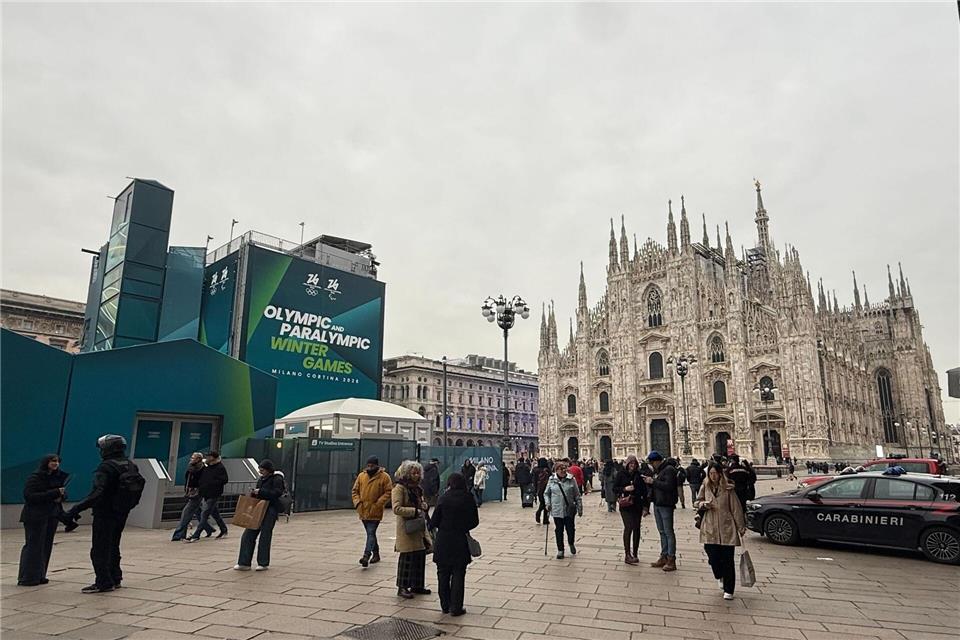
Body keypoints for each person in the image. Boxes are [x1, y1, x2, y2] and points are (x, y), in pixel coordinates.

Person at [65, 434, 144, 593]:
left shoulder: (106, 467)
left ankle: (103, 582)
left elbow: (98, 492)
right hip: (122, 511)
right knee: (114, 545)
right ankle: (116, 577)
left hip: (105, 512)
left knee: (100, 548)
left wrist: (76, 508)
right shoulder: (129, 465)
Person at [695, 462, 746, 600]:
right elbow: (697, 501)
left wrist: (741, 526)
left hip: (726, 527)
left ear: (720, 474)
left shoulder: (728, 489)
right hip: (710, 527)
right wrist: (703, 504)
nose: (713, 476)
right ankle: (719, 575)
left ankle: (729, 590)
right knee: (712, 556)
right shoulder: (705, 486)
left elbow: (736, 508)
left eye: (715, 473)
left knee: (728, 559)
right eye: (710, 473)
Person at [430, 472, 479, 617]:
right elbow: (475, 521)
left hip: (443, 539)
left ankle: (445, 605)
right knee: (458, 573)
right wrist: (463, 526)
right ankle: (456, 607)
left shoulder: (443, 498)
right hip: (459, 540)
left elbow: (434, 521)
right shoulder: (468, 497)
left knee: (442, 573)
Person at [18, 454, 69, 586]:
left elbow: (61, 493)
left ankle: (40, 574)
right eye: (53, 461)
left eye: (57, 461)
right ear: (46, 462)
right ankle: (28, 577)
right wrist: (54, 493)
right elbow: (29, 496)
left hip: (51, 515)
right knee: (34, 546)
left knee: (46, 546)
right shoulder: (35, 477)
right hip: (35, 516)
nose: (56, 463)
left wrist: (61, 496)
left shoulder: (57, 477)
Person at [234, 459, 285, 571]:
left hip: (270, 509)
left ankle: (263, 562)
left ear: (268, 470)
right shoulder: (262, 479)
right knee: (248, 535)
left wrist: (260, 492)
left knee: (265, 536)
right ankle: (244, 562)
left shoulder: (277, 479)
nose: (260, 472)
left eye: (262, 470)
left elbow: (277, 493)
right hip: (258, 508)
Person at [393, 460, 431, 599]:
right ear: (407, 473)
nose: (416, 475)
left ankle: (417, 585)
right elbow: (396, 508)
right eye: (413, 473)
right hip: (407, 528)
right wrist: (414, 511)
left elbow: (421, 502)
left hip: (419, 526)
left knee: (419, 555)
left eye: (418, 473)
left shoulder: (417, 488)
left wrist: (424, 505)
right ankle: (402, 587)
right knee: (407, 557)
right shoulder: (399, 488)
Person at [352, 456, 393, 567]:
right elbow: (355, 491)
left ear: (377, 465)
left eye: (372, 465)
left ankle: (366, 555)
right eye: (368, 465)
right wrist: (357, 503)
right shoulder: (361, 476)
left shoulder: (384, 477)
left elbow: (388, 491)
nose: (370, 467)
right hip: (363, 509)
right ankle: (376, 554)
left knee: (370, 532)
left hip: (375, 510)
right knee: (371, 534)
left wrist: (379, 503)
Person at [643, 451, 678, 572]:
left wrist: (653, 481)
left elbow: (669, 486)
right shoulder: (658, 471)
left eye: (652, 463)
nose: (652, 465)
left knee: (668, 532)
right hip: (658, 504)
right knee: (662, 531)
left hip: (666, 504)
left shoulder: (669, 470)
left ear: (657, 461)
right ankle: (664, 556)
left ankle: (671, 559)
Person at [187, 450, 229, 542]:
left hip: (214, 494)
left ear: (213, 458)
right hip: (205, 493)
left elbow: (224, 480)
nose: (207, 458)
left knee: (204, 513)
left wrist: (212, 483)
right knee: (215, 514)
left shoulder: (220, 467)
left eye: (209, 456)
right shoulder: (207, 467)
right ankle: (223, 529)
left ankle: (196, 535)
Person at [543, 461, 582, 559]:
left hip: (569, 509)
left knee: (570, 529)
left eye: (565, 468)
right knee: (559, 530)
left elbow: (577, 495)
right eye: (561, 469)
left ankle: (571, 542)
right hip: (557, 509)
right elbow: (546, 493)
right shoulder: (552, 480)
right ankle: (560, 550)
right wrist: (548, 503)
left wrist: (580, 507)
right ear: (556, 470)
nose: (564, 470)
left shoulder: (571, 479)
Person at [613, 455, 647, 565]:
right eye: (631, 463)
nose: (633, 465)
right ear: (627, 464)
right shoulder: (621, 474)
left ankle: (635, 553)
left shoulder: (639, 475)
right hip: (625, 505)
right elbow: (614, 488)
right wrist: (624, 489)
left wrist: (646, 507)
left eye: (634, 464)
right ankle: (627, 554)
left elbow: (644, 492)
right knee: (628, 527)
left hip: (637, 504)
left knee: (637, 528)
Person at [171, 452, 211, 541]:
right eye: (191, 457)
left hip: (197, 493)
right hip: (190, 491)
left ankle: (179, 534)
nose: (191, 459)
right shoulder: (191, 467)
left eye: (193, 458)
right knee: (197, 511)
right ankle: (208, 528)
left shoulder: (203, 468)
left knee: (186, 512)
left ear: (198, 459)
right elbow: (188, 479)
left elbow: (203, 481)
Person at [534, 458, 551, 525]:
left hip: (539, 489)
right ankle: (545, 519)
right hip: (547, 488)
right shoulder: (547, 470)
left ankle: (539, 513)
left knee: (542, 503)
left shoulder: (535, 470)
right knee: (546, 503)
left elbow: (534, 480)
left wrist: (535, 490)